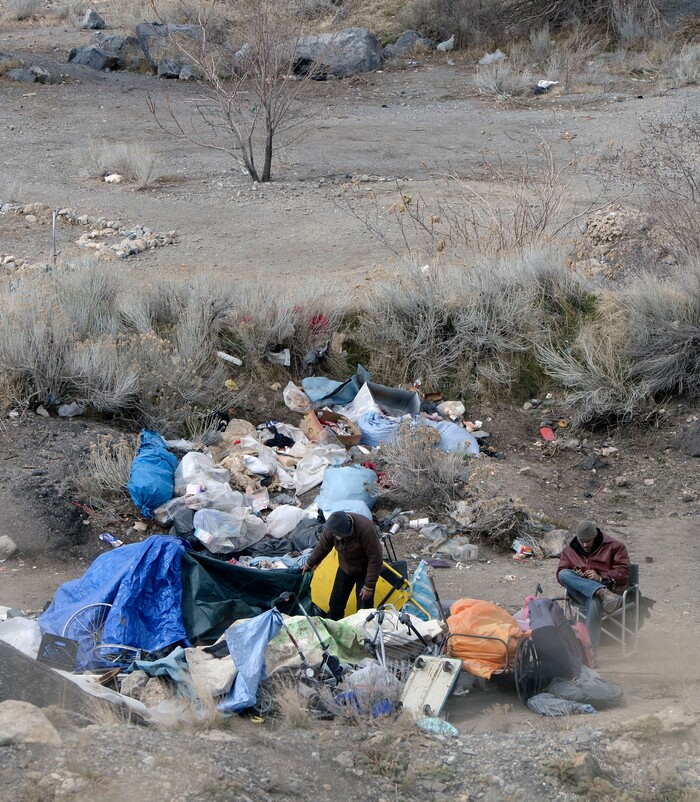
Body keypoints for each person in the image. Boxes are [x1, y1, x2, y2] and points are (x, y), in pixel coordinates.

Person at [556, 519, 631, 649]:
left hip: (610, 591)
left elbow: (624, 572)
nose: (585, 545)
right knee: (564, 574)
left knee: (594, 601)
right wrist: (576, 574)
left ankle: (589, 652)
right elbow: (560, 575)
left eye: (588, 541)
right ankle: (601, 592)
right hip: (583, 593)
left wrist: (601, 577)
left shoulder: (615, 546)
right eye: (582, 541)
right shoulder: (569, 550)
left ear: (595, 537)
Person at [301, 511, 384, 621]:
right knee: (336, 603)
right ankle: (334, 627)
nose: (336, 536)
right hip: (345, 568)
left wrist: (369, 586)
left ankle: (365, 634)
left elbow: (376, 559)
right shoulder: (332, 528)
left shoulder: (365, 529)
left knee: (365, 608)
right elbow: (322, 548)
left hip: (364, 571)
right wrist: (309, 563)